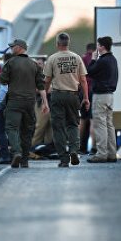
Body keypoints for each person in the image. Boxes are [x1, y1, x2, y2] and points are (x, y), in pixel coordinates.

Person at [0, 39, 49, 168]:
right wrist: (45, 103)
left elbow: (3, 82)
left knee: (12, 128)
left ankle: (16, 152)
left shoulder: (10, 63)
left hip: (14, 101)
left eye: (12, 47)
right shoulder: (34, 65)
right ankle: (25, 159)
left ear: (19, 47)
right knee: (27, 130)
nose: (11, 49)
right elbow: (41, 86)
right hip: (30, 103)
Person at [44, 32, 89, 168]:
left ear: (57, 44)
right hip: (73, 95)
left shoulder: (52, 59)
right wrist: (86, 97)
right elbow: (83, 80)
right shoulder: (76, 58)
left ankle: (64, 159)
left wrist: (44, 95)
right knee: (73, 125)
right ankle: (74, 151)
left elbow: (47, 80)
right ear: (68, 43)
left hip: (57, 95)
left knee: (58, 127)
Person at [87, 36, 119, 163]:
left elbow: (89, 72)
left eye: (98, 46)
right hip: (110, 95)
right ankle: (112, 153)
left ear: (102, 47)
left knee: (100, 125)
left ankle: (101, 154)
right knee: (109, 125)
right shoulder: (113, 60)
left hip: (100, 96)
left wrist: (93, 59)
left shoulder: (102, 61)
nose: (97, 48)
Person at [0, 53, 13, 164]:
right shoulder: (17, 71)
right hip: (16, 103)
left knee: (1, 130)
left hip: (4, 103)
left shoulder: (4, 72)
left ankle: (5, 156)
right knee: (13, 130)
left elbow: (3, 89)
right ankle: (16, 154)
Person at [79, 43, 96, 154]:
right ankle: (94, 148)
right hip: (93, 92)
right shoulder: (96, 60)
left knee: (83, 120)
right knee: (93, 120)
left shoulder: (82, 59)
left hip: (83, 92)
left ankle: (81, 147)